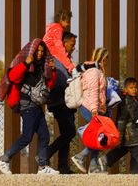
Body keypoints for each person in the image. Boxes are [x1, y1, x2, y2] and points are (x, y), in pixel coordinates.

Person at [0, 42, 60, 175]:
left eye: (42, 51)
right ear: (32, 51)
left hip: (37, 105)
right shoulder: (25, 63)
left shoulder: (41, 66)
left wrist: (53, 70)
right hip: (27, 105)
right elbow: (12, 76)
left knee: (45, 136)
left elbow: (49, 85)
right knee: (27, 137)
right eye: (38, 51)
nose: (40, 53)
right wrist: (26, 63)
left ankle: (42, 167)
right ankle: (4, 159)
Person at [71, 47, 110, 174]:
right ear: (102, 58)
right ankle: (80, 157)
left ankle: (93, 166)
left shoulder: (96, 71)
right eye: (106, 60)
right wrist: (94, 110)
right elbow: (93, 92)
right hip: (90, 108)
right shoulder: (94, 72)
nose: (106, 63)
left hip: (95, 108)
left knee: (98, 136)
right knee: (100, 135)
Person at [45, 30, 78, 174]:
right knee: (70, 132)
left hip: (67, 102)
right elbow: (58, 81)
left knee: (67, 133)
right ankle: (45, 155)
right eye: (72, 44)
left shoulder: (68, 61)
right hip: (60, 101)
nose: (74, 47)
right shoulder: (58, 61)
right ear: (63, 43)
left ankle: (63, 166)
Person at [102, 77, 138, 174]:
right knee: (136, 151)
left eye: (135, 87)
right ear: (126, 89)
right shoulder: (127, 102)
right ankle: (136, 171)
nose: (134, 90)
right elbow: (122, 120)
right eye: (131, 88)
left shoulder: (134, 100)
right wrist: (120, 135)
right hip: (130, 133)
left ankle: (106, 160)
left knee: (122, 149)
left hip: (132, 132)